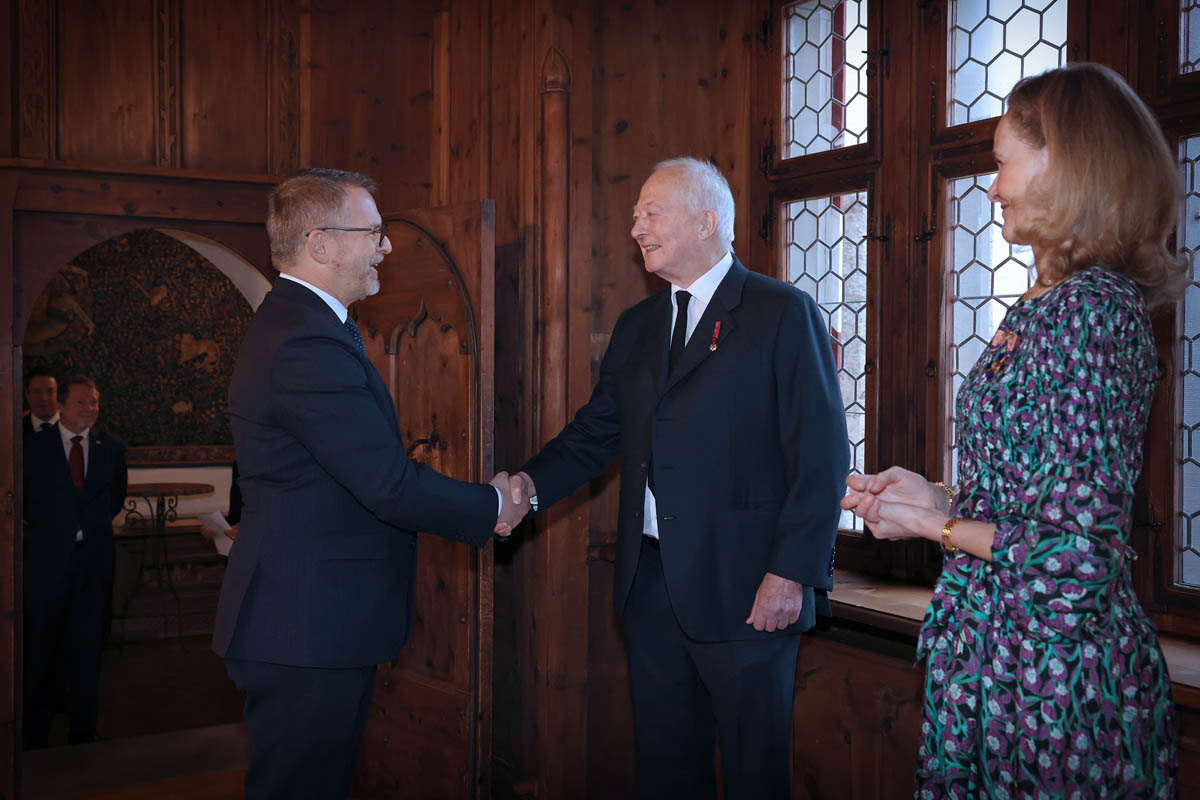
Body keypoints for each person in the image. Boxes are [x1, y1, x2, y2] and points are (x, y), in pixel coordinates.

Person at [841, 62, 1183, 797]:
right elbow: (1033, 498)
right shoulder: (1046, 305)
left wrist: (934, 526)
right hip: (999, 659)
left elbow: (1077, 557)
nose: (992, 187)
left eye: (1003, 163)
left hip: (1053, 684)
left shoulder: (1092, 312)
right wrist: (935, 497)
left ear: (1068, 165)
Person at [507, 157, 849, 799]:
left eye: (652, 212)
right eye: (636, 214)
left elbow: (822, 455)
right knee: (666, 772)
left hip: (752, 591)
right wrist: (526, 487)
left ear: (706, 220)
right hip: (651, 589)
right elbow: (594, 434)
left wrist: (792, 573)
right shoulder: (637, 326)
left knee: (754, 777)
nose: (636, 226)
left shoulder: (781, 312)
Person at [211, 168, 528, 799]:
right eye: (374, 233)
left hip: (309, 622)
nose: (385, 247)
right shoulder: (304, 341)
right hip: (304, 626)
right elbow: (386, 484)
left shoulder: (304, 325)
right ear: (322, 244)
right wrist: (492, 503)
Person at [23, 375, 127, 747]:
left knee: (88, 649)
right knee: (41, 648)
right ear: (62, 405)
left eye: (94, 401)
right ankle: (35, 732)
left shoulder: (111, 448)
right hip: (47, 565)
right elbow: (25, 500)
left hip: (93, 565)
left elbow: (115, 499)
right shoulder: (32, 447)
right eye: (81, 401)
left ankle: (83, 730)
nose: (89, 408)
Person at [22, 366, 60, 436]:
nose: (43, 398)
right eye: (37, 392)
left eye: (50, 392)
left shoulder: (73, 427)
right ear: (27, 395)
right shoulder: (15, 429)